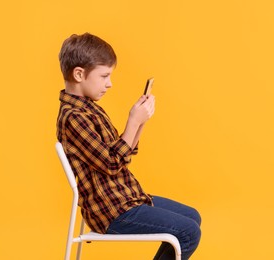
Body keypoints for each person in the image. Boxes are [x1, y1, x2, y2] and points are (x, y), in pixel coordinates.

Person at [56, 32, 201, 259]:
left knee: (192, 217)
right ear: (79, 74)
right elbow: (113, 163)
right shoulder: (73, 117)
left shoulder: (89, 108)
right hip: (111, 210)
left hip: (125, 196)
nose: (109, 84)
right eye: (104, 76)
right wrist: (132, 120)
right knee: (188, 232)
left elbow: (123, 152)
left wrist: (140, 122)